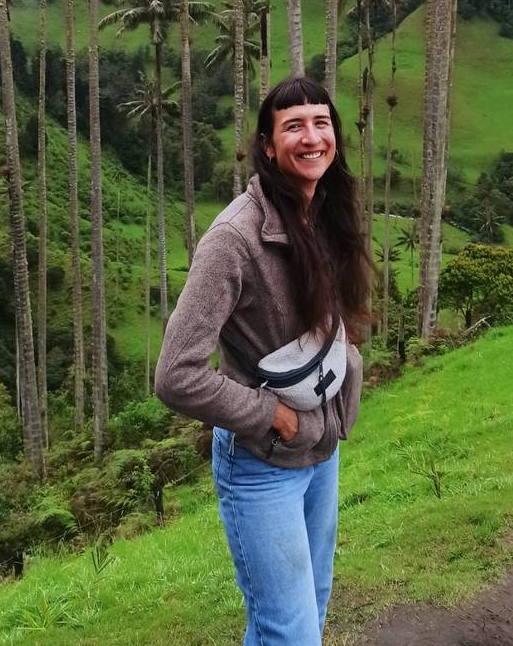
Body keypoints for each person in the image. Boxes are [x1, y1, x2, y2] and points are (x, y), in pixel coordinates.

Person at [155, 75, 369, 646]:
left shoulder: (322, 212)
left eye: (321, 122)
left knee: (304, 613)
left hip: (321, 451)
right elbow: (175, 374)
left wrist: (345, 362)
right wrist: (271, 415)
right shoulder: (234, 239)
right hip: (261, 461)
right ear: (268, 147)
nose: (312, 137)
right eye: (293, 126)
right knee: (291, 633)